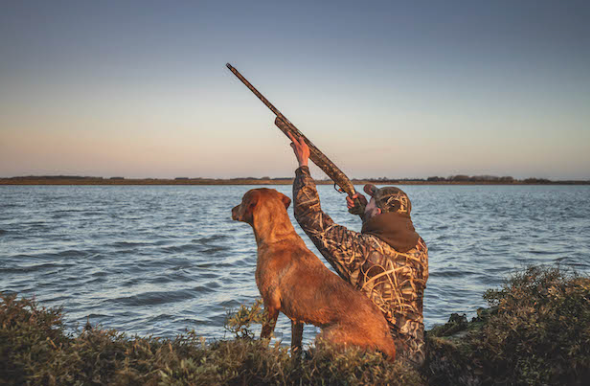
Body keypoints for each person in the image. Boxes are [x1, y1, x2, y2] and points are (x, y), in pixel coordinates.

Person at [287, 133, 429, 366]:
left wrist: (303, 166)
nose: (368, 200)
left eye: (372, 201)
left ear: (380, 213)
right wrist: (365, 213)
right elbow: (383, 242)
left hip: (378, 356)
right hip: (415, 355)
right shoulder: (419, 247)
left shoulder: (362, 250)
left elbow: (309, 217)